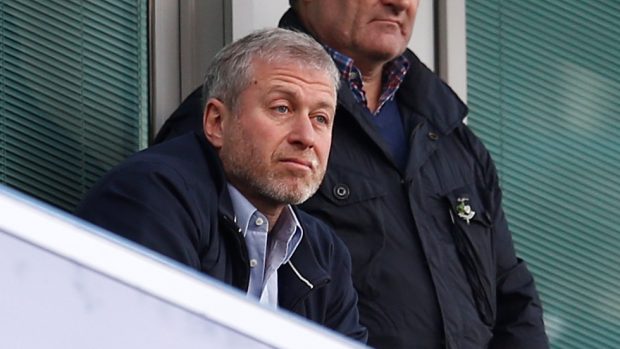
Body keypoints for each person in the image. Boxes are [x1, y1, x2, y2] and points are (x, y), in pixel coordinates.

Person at [152, 1, 549, 348]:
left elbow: (510, 293)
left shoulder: (454, 139)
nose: (399, 3)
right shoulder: (237, 120)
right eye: (283, 109)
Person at [76, 28, 367, 342]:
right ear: (217, 123)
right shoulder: (152, 196)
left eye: (320, 118)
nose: (306, 136)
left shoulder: (324, 251)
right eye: (281, 108)